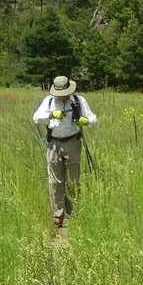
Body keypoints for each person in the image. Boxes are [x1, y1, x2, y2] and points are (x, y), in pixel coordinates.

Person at [32, 75, 96, 227]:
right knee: (55, 181)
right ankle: (57, 215)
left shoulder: (79, 101)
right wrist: (51, 114)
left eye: (65, 93)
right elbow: (36, 118)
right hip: (54, 144)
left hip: (73, 142)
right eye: (60, 94)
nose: (63, 96)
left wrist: (85, 121)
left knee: (74, 180)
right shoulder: (49, 101)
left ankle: (74, 213)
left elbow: (93, 119)